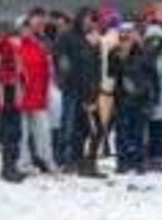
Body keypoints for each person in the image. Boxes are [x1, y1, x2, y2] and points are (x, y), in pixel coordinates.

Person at [57, 8, 102, 175]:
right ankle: (66, 160)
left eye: (92, 19)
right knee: (69, 126)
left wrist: (95, 88)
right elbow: (61, 59)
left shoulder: (92, 39)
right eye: (87, 19)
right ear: (80, 19)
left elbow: (97, 65)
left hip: (89, 91)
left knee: (87, 129)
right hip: (72, 89)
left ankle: (81, 159)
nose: (89, 22)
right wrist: (65, 77)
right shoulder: (68, 37)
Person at [108, 23, 153, 174]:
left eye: (129, 34)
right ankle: (122, 162)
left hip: (141, 98)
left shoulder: (144, 52)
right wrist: (120, 59)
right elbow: (111, 75)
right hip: (121, 98)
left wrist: (151, 97)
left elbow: (152, 76)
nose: (126, 38)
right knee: (122, 132)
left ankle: (139, 162)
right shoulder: (114, 52)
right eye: (123, 34)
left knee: (139, 133)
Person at [19, 7, 54, 173]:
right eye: (36, 19)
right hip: (22, 94)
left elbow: (48, 68)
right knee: (23, 132)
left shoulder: (44, 41)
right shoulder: (16, 43)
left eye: (42, 19)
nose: (39, 23)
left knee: (43, 130)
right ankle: (23, 162)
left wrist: (48, 91)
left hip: (40, 93)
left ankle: (45, 159)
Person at [0, 19, 26, 182]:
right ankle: (8, 168)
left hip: (10, 90)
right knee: (12, 131)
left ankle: (10, 166)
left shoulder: (9, 46)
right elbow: (2, 71)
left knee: (13, 131)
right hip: (9, 91)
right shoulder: (9, 46)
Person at [143, 23, 162, 172]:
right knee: (147, 130)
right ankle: (147, 157)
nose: (155, 43)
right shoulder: (143, 56)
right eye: (151, 39)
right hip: (147, 99)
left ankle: (158, 159)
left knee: (161, 132)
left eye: (158, 39)